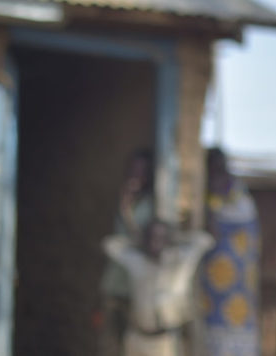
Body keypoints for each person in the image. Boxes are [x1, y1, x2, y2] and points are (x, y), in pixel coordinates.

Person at [103, 219, 213, 356]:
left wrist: (177, 237)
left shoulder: (181, 261)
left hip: (165, 340)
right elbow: (110, 246)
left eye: (161, 237)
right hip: (136, 336)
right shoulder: (138, 262)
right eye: (152, 237)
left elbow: (205, 240)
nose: (156, 241)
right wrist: (137, 240)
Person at [199, 147, 262, 356]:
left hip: (238, 283)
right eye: (213, 167)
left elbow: (243, 226)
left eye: (220, 166)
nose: (218, 172)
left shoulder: (238, 194)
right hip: (213, 285)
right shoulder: (204, 195)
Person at [98, 149, 157, 355]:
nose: (136, 175)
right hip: (115, 282)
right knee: (109, 342)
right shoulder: (124, 201)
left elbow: (145, 241)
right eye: (133, 169)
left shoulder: (153, 204)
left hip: (137, 286)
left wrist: (126, 211)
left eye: (142, 171)